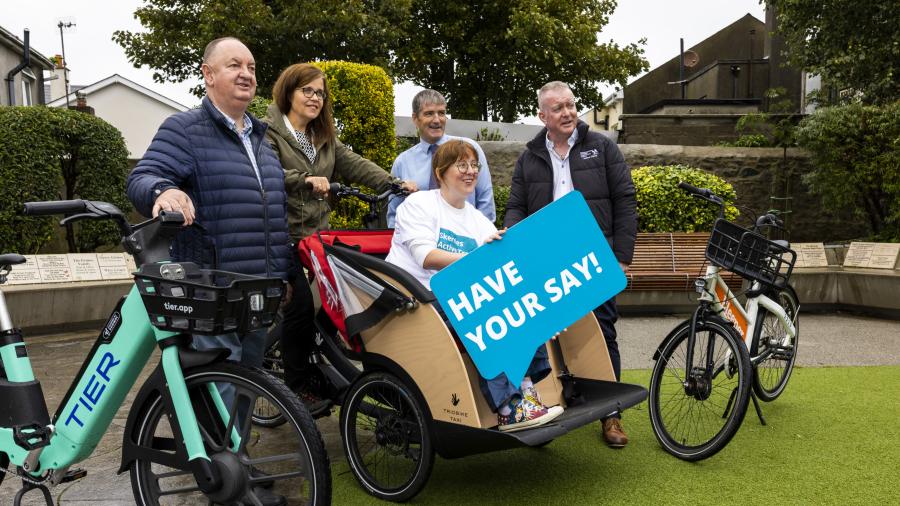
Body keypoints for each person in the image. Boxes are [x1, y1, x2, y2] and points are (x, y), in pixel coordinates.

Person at [126, 37, 290, 506]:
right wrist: (163, 190)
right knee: (216, 390)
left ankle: (234, 464)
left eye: (252, 66)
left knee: (243, 391)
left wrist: (283, 277)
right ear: (208, 74)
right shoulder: (185, 129)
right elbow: (142, 176)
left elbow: (273, 215)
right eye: (233, 64)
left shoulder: (261, 137)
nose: (246, 73)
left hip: (256, 292)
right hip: (210, 293)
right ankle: (223, 480)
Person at [262, 63, 416, 410]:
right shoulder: (268, 133)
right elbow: (269, 171)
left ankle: (319, 363)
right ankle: (296, 386)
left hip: (317, 236)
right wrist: (304, 178)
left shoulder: (323, 136)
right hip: (282, 234)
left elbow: (352, 163)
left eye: (320, 93)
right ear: (289, 92)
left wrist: (392, 184)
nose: (315, 98)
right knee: (301, 307)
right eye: (308, 91)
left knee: (339, 299)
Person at [387, 140, 563, 432]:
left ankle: (526, 392)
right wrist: (478, 256)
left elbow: (501, 270)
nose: (470, 172)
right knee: (481, 310)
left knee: (520, 304)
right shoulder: (419, 204)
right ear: (441, 172)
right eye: (462, 165)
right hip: (416, 298)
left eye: (474, 166)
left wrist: (541, 311)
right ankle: (508, 407)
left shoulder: (477, 219)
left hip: (458, 297)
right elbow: (427, 257)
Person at [504, 81, 637, 447]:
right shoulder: (529, 157)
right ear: (542, 116)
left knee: (602, 334)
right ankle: (549, 408)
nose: (567, 113)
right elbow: (517, 206)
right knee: (546, 339)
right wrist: (512, 235)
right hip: (545, 261)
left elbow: (625, 200)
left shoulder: (603, 148)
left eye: (571, 105)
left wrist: (622, 257)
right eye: (558, 108)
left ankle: (611, 415)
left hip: (594, 259)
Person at [387, 89, 495, 227]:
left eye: (441, 113)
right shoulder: (402, 162)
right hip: (419, 242)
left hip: (467, 240)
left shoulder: (469, 149)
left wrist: (483, 239)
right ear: (415, 118)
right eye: (429, 113)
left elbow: (485, 199)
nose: (437, 120)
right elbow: (394, 213)